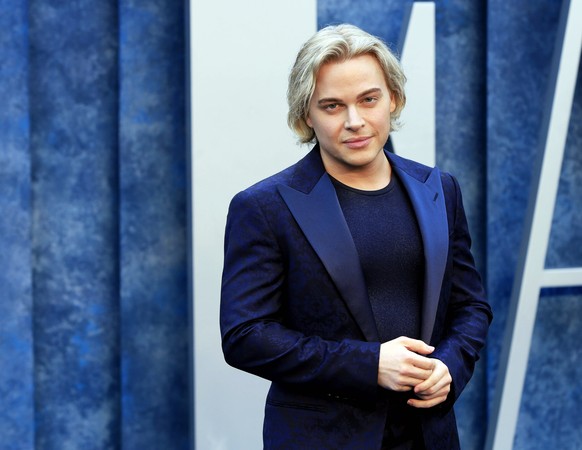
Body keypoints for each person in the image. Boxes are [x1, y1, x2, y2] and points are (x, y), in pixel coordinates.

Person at [220, 24, 492, 450]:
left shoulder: (440, 189)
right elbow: (245, 336)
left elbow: (470, 305)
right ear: (305, 115)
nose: (354, 121)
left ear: (394, 99)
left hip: (429, 434)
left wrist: (451, 365)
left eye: (369, 99)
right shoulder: (263, 207)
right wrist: (369, 365)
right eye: (332, 106)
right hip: (322, 438)